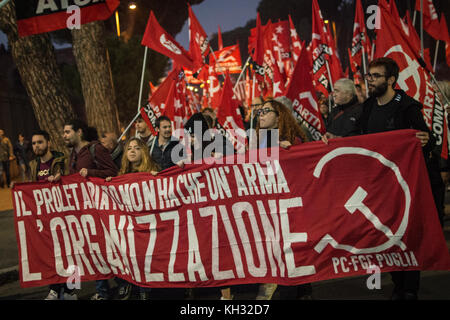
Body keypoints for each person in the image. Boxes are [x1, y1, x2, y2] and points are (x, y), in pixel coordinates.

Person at [324, 57, 432, 300]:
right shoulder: (370, 106)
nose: (369, 80)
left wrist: (426, 141)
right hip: (379, 185)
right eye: (368, 75)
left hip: (405, 184)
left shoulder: (406, 105)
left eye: (375, 76)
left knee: (407, 234)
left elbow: (425, 138)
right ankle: (398, 283)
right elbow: (358, 137)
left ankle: (409, 289)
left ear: (391, 80)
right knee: (389, 235)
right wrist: (335, 141)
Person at [254, 96, 311, 300]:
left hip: (288, 213)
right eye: (259, 112)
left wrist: (292, 152)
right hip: (267, 210)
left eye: (266, 111)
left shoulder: (292, 141)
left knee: (288, 263)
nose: (260, 115)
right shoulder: (258, 141)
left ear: (279, 117)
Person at [63, 119, 118, 300]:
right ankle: (93, 291)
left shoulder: (96, 149)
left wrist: (91, 173)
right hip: (81, 209)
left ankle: (117, 287)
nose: (64, 136)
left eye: (67, 132)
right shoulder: (73, 154)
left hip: (98, 208)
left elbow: (112, 172)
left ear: (79, 132)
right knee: (90, 249)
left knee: (104, 249)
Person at [105, 137, 159, 300]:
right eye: (129, 148)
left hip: (147, 221)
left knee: (145, 256)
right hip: (129, 224)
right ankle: (128, 283)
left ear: (144, 151)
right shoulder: (121, 174)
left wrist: (158, 178)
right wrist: (109, 184)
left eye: (137, 148)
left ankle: (145, 288)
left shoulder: (153, 170)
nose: (133, 151)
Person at [26, 130, 72, 299]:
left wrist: (61, 177)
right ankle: (54, 288)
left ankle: (70, 290)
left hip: (64, 214)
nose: (36, 146)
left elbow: (71, 179)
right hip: (44, 218)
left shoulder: (61, 160)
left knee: (70, 253)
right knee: (50, 254)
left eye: (40, 142)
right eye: (33, 143)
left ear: (48, 143)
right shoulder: (33, 165)